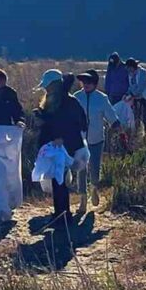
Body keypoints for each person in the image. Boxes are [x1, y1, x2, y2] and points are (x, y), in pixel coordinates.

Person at [34, 69, 87, 227]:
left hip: (65, 147)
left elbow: (78, 125)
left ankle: (63, 216)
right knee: (58, 181)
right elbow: (52, 123)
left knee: (60, 181)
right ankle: (61, 214)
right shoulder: (54, 100)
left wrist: (62, 139)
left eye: (48, 85)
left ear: (54, 85)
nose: (46, 89)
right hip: (56, 147)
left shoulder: (69, 102)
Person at [73, 69, 119, 212]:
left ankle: (94, 188)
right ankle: (82, 199)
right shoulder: (75, 97)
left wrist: (116, 124)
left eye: (89, 82)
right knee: (80, 168)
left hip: (96, 139)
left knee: (94, 168)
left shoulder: (101, 98)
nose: (85, 84)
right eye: (83, 82)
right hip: (79, 140)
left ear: (94, 83)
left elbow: (110, 114)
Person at [126, 58, 146, 135]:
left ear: (132, 66)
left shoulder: (143, 73)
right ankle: (137, 134)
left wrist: (132, 95)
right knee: (136, 116)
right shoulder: (130, 74)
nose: (127, 69)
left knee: (145, 117)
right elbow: (131, 86)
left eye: (128, 67)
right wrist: (127, 93)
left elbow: (141, 87)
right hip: (137, 98)